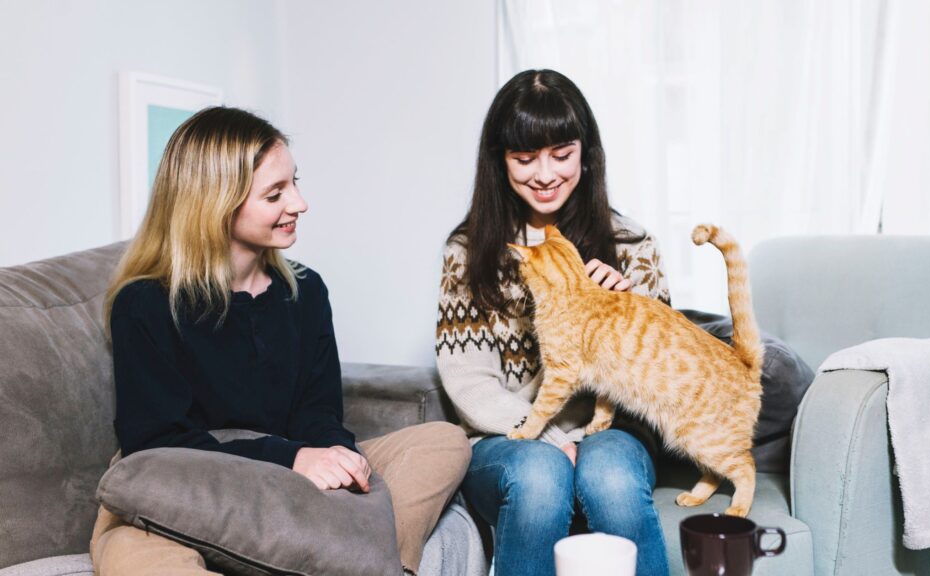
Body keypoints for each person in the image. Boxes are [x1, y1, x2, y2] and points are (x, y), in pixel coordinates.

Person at [90, 106, 470, 576]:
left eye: (294, 183)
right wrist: (292, 457)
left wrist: (337, 453)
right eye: (275, 194)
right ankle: (337, 552)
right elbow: (156, 444)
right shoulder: (145, 303)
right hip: (180, 486)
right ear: (215, 203)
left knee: (444, 442)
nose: (299, 203)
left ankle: (369, 560)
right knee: (136, 559)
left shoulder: (305, 291)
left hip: (287, 487)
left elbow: (319, 411)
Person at [435, 70, 672, 576]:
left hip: (614, 430)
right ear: (500, 163)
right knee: (541, 476)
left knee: (609, 474)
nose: (544, 174)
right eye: (524, 159)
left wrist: (625, 320)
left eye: (561, 155)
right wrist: (549, 439)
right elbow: (470, 383)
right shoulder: (469, 251)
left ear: (586, 155)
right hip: (506, 437)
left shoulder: (634, 246)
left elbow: (663, 389)